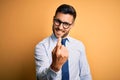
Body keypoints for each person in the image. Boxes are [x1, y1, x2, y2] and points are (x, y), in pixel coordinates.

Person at [35, 4, 92, 80]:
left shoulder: (79, 45)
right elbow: (40, 78)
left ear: (72, 25)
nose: (60, 27)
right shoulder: (41, 46)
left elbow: (85, 75)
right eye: (57, 21)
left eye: (66, 24)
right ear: (53, 19)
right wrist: (55, 67)